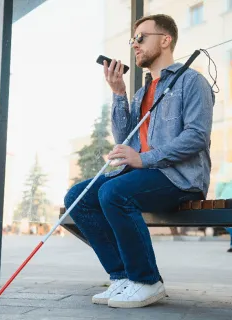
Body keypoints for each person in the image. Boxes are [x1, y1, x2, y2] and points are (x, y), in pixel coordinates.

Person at [64, 14, 215, 309]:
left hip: (180, 178)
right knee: (78, 197)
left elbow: (197, 136)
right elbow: (126, 138)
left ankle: (146, 281)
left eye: (141, 38)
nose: (135, 44)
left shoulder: (192, 81)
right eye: (132, 39)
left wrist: (144, 159)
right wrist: (118, 93)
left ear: (165, 39)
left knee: (113, 193)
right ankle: (122, 277)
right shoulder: (143, 91)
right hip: (143, 175)